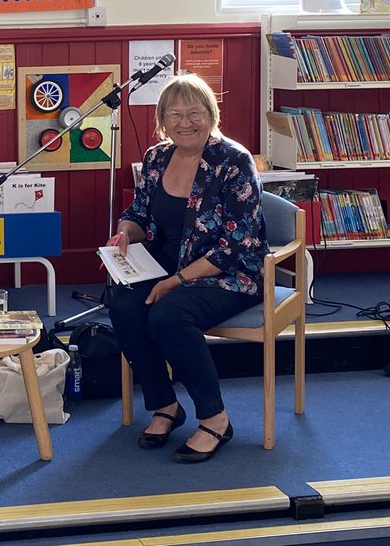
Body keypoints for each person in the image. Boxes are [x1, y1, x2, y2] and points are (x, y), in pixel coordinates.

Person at [106, 73, 268, 464]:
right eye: (175, 114)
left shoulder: (233, 161)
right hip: (166, 265)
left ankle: (215, 418)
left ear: (210, 115)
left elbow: (237, 245)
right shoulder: (156, 157)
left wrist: (176, 281)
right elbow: (138, 214)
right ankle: (165, 406)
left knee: (168, 315)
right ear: (162, 119)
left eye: (194, 113)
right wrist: (125, 232)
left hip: (229, 273)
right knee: (123, 303)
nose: (185, 122)